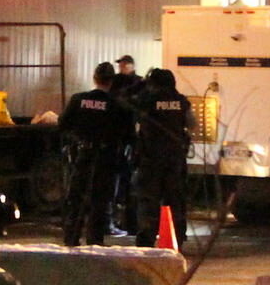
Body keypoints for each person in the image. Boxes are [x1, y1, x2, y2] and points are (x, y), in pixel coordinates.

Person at [58, 62, 128, 246]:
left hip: (83, 155)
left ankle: (71, 239)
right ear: (112, 81)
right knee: (100, 202)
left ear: (95, 78)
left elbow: (63, 125)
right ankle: (94, 243)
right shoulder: (117, 104)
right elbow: (127, 135)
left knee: (76, 198)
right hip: (106, 159)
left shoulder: (78, 99)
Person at [132, 66, 192, 249]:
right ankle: (178, 239)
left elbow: (125, 103)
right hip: (174, 160)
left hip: (150, 159)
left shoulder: (146, 100)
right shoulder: (181, 101)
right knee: (175, 200)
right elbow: (192, 124)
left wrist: (140, 84)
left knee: (148, 201)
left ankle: (146, 241)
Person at [108, 54, 142, 233]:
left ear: (131, 65)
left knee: (128, 183)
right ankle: (118, 220)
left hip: (130, 138)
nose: (120, 68)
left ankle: (130, 222)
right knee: (118, 182)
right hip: (119, 137)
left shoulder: (139, 83)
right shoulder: (116, 82)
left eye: (123, 65)